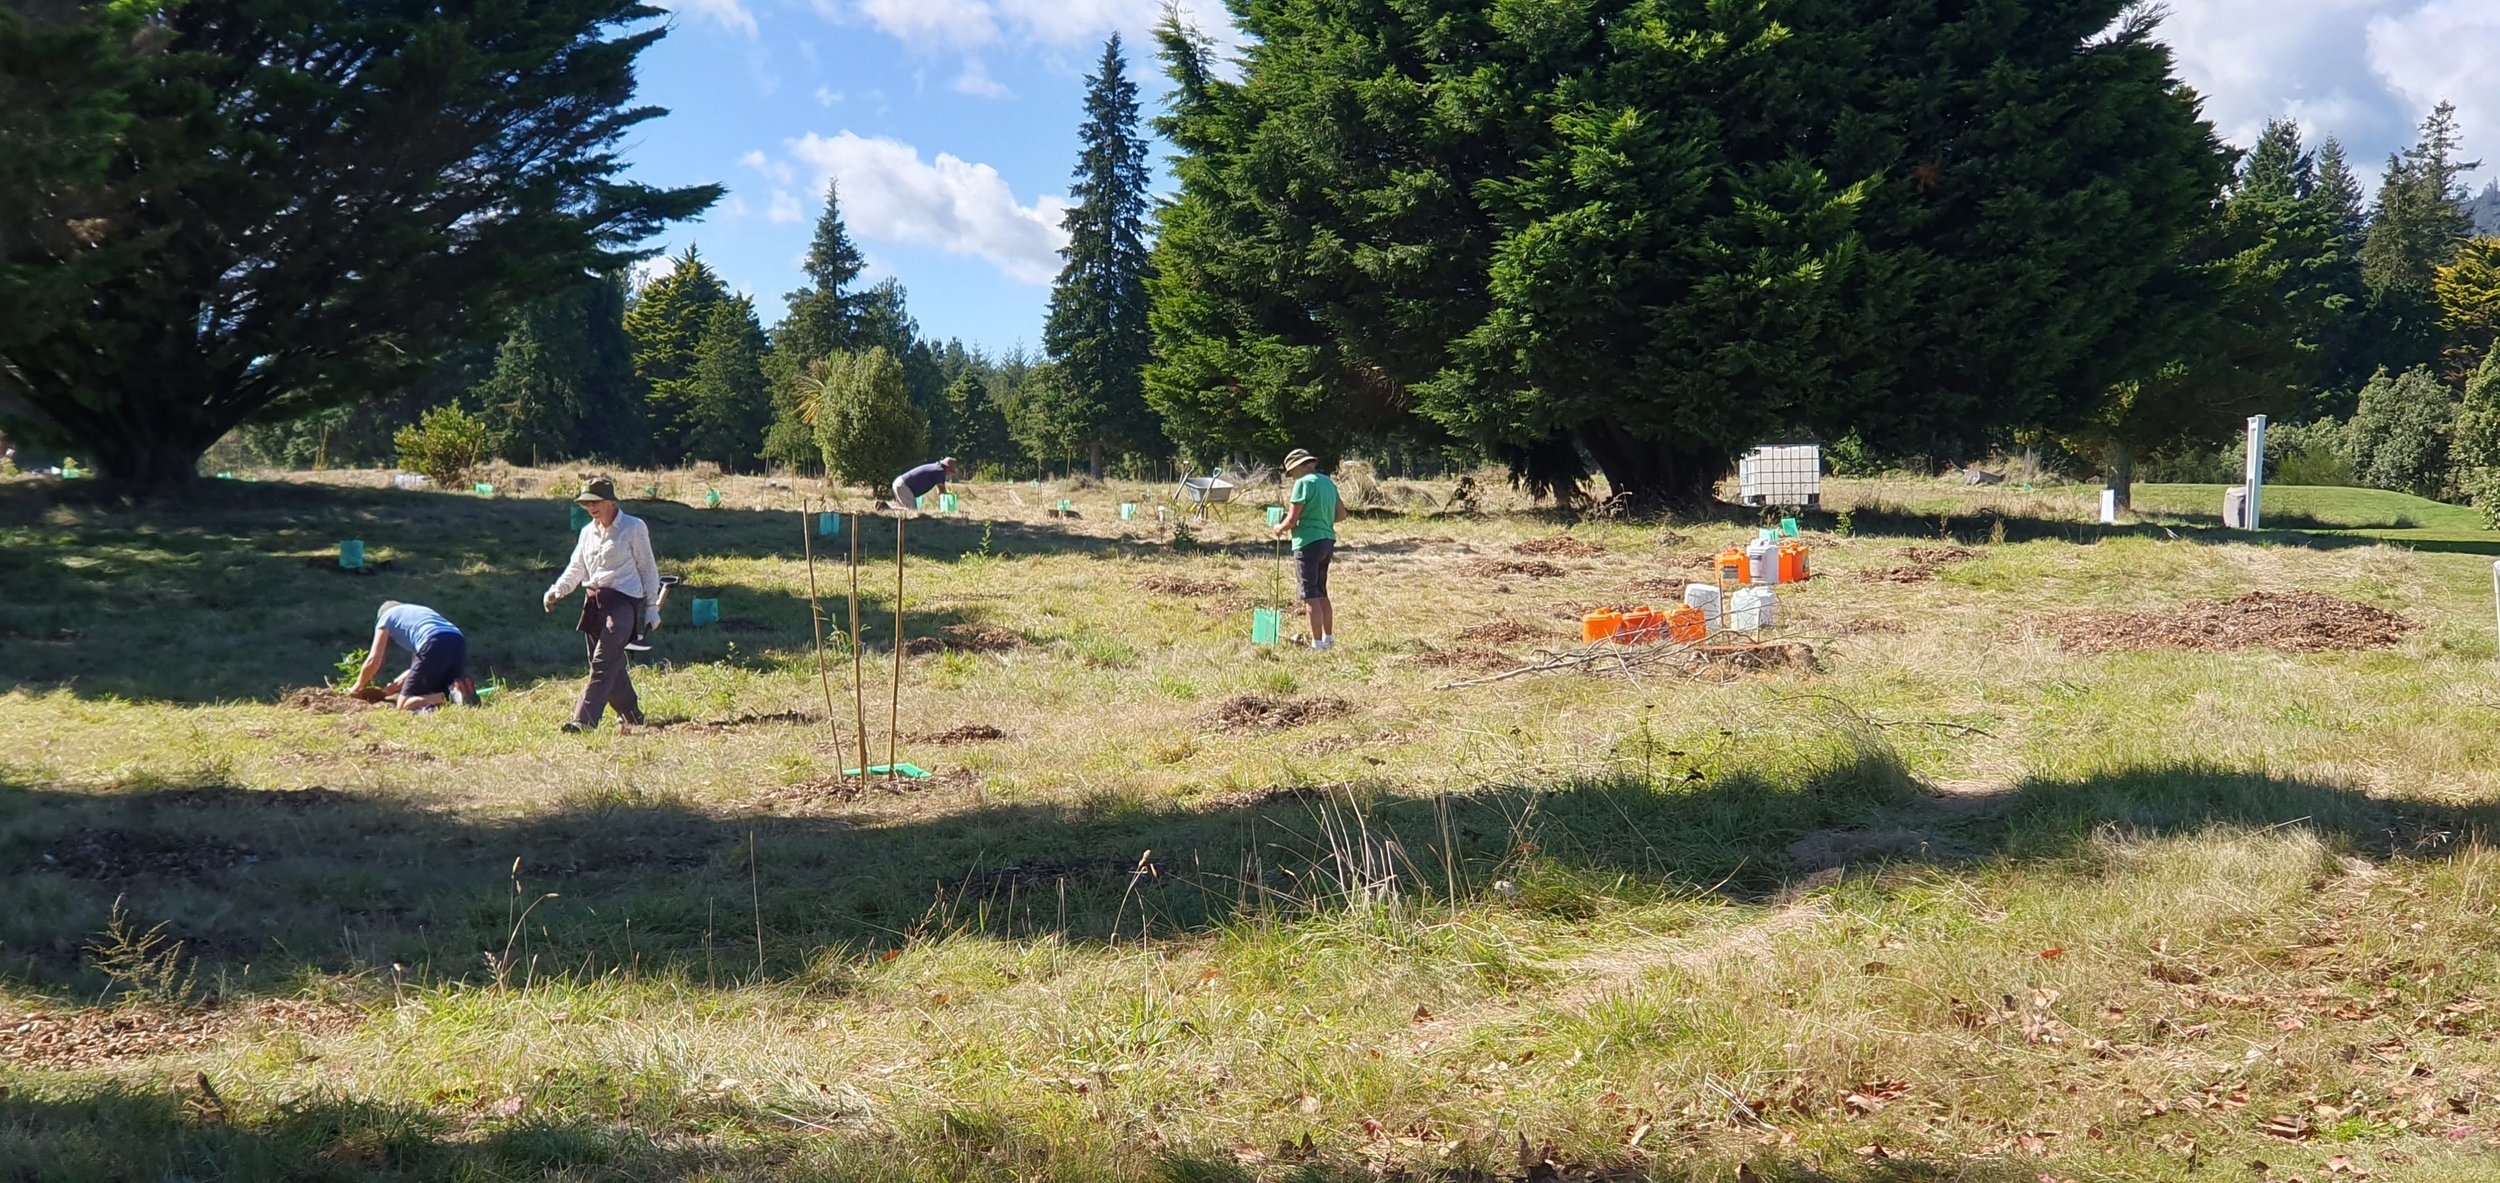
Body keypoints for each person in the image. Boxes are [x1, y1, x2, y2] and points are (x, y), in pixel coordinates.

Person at [543, 477, 660, 732]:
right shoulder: (587, 533)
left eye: (594, 502)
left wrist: (652, 607)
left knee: (603, 661)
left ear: (610, 501)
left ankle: (583, 722)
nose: (590, 507)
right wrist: (556, 591)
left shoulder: (633, 527)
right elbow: (577, 568)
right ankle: (632, 714)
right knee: (611, 664)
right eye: (585, 503)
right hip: (593, 603)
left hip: (622, 603)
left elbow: (648, 568)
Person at [1271, 447, 1344, 650]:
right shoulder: (1328, 482)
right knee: (1321, 591)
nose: (1292, 476)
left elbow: (1292, 520)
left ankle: (1317, 644)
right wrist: (1321, 517)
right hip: (1327, 540)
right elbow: (1341, 514)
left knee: (1310, 595)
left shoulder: (1302, 484)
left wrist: (1279, 528)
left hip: (1307, 543)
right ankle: (1329, 638)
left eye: (1292, 472)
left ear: (1301, 467)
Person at [352, 601, 472, 711]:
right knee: (432, 692)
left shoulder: (385, 618)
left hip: (433, 641)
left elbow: (373, 659)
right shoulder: (416, 614)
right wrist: (397, 684)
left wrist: (357, 687)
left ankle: (451, 697)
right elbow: (417, 666)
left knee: (404, 704)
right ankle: (458, 692)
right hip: (457, 640)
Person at [890, 456, 955, 512]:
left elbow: (939, 490)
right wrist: (950, 496)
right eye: (951, 471)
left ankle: (888, 507)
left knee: (905, 510)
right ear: (947, 468)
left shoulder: (937, 467)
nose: (950, 474)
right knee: (912, 512)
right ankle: (888, 507)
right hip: (904, 486)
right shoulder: (940, 471)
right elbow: (941, 491)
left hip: (901, 483)